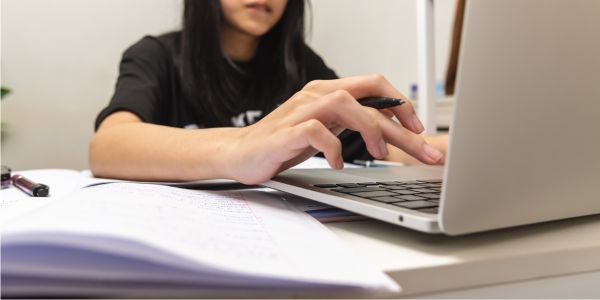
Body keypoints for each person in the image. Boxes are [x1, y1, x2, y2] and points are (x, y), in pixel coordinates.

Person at [89, 0, 445, 184]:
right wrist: (242, 147)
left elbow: (389, 148)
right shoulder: (157, 56)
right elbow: (108, 147)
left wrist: (478, 145)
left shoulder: (301, 67)